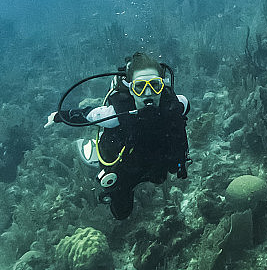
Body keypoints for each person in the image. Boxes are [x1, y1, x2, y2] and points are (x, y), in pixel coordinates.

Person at [45, 51, 190, 220]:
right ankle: (94, 150)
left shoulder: (178, 105)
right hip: (127, 167)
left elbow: (184, 107)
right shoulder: (114, 114)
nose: (148, 93)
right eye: (140, 86)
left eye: (155, 85)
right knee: (121, 213)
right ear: (130, 89)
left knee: (160, 178)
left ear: (162, 87)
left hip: (157, 163)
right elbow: (88, 114)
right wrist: (58, 116)